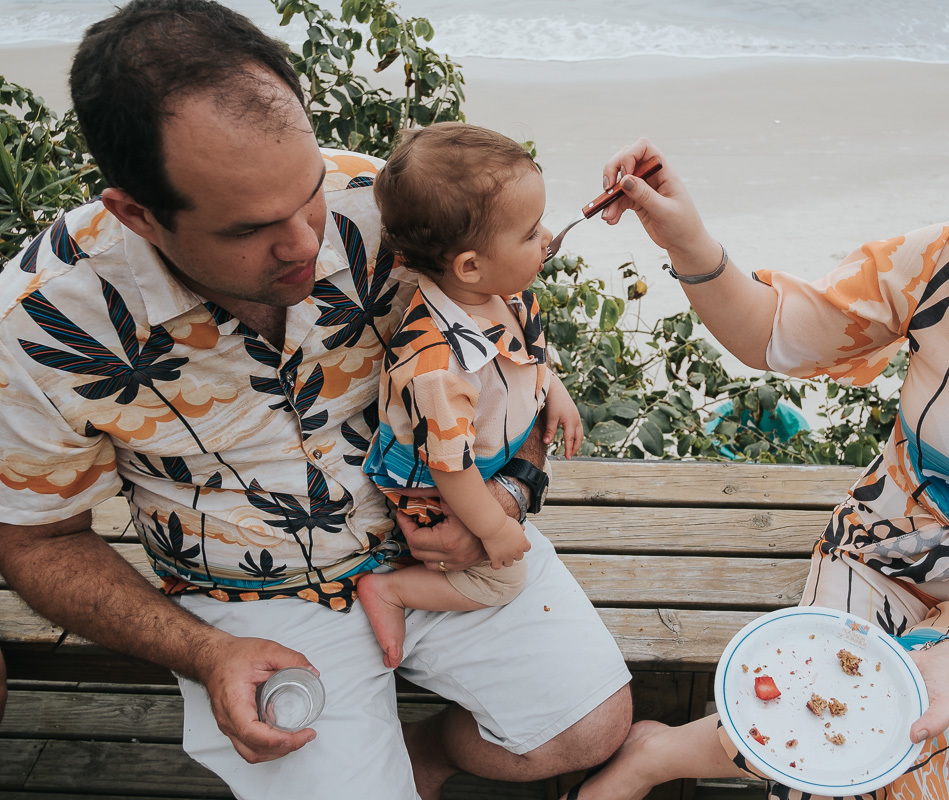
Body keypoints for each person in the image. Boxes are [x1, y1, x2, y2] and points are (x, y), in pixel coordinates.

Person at [0, 1, 630, 797]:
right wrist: (206, 653)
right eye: (250, 229)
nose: (307, 242)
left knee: (587, 728)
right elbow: (39, 542)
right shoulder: (44, 320)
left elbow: (514, 352)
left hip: (443, 542)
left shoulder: (380, 201)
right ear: (137, 213)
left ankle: (415, 758)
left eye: (309, 196)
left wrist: (510, 491)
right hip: (246, 598)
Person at [570, 15, 949, 800]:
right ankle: (655, 755)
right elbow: (777, 337)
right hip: (877, 556)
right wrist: (685, 237)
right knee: (829, 751)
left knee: (875, 762)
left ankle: (656, 754)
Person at [357, 122, 583, 668]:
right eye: (530, 232)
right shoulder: (439, 367)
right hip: (433, 485)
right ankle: (393, 590)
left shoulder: (505, 294)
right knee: (504, 581)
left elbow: (525, 357)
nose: (548, 236)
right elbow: (448, 469)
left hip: (483, 451)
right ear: (470, 265)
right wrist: (493, 528)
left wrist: (555, 391)